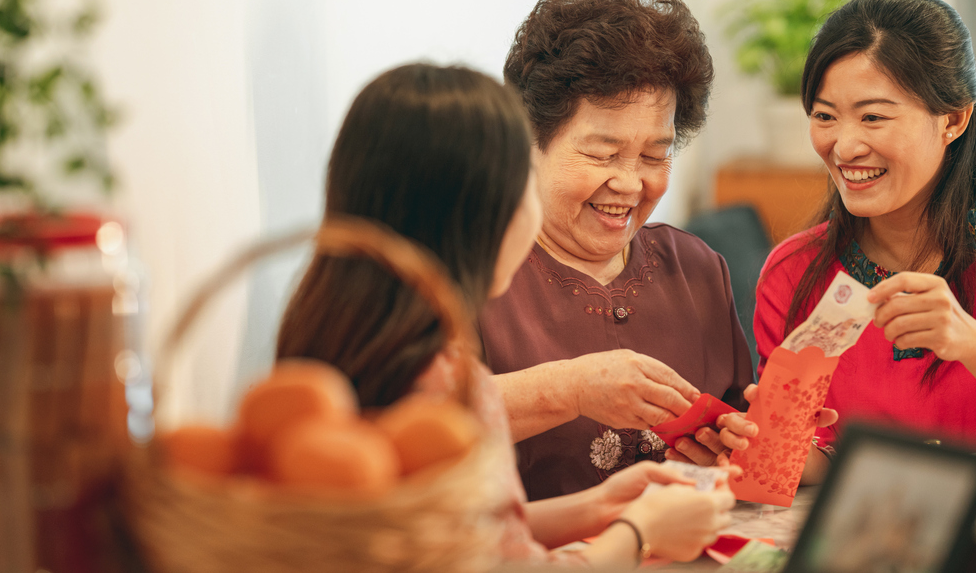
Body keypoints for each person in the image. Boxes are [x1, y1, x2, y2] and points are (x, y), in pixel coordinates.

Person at [277, 63, 735, 566]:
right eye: (521, 184)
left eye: (654, 153)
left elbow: (473, 535)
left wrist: (602, 506)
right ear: (473, 214)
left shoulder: (340, 335)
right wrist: (639, 532)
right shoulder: (442, 382)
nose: (628, 182)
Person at [478, 0, 755, 501]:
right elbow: (413, 428)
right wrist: (569, 389)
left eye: (655, 155)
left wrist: (735, 447)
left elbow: (734, 435)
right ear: (528, 140)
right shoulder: (473, 270)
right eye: (602, 155)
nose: (630, 184)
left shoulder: (697, 268)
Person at [747, 0, 976, 485]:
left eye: (874, 117)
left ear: (953, 119)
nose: (844, 145)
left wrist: (971, 342)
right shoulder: (793, 273)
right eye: (824, 116)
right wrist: (763, 449)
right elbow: (786, 468)